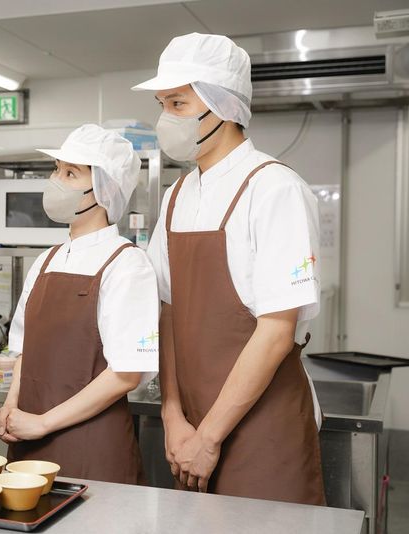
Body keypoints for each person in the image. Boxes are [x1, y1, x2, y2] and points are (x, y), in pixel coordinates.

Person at [132, 33, 325, 504]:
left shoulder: (275, 189)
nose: (165, 119)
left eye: (178, 103)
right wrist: (173, 416)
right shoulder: (177, 196)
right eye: (162, 104)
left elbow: (276, 330)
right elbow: (167, 312)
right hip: (191, 425)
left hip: (263, 427)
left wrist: (209, 437)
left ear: (223, 104)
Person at [0, 124, 159, 485]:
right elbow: (25, 353)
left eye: (70, 173)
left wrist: (43, 423)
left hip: (91, 450)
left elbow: (126, 374)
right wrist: (11, 407)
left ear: (104, 189)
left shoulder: (128, 265)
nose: (55, 181)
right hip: (28, 444)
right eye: (56, 170)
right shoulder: (46, 260)